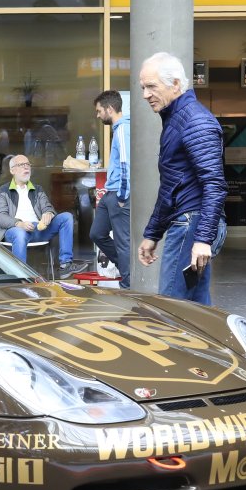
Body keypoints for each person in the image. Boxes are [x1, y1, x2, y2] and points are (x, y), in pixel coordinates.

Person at [135, 51, 227, 304]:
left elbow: (215, 185)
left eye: (151, 86)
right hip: (190, 223)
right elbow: (171, 186)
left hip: (191, 224)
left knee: (172, 309)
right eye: (143, 87)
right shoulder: (179, 119)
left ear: (175, 84)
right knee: (196, 309)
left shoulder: (195, 121)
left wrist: (202, 239)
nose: (145, 95)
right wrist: (152, 234)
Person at [0, 154, 80, 275]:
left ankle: (65, 265)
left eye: (28, 164)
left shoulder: (37, 189)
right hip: (14, 230)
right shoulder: (3, 191)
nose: (26, 167)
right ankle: (20, 275)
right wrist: (19, 224)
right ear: (12, 170)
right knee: (20, 233)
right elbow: (0, 217)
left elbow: (47, 207)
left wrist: (48, 213)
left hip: (37, 229)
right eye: (21, 165)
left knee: (66, 217)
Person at [91, 89, 131, 287]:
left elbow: (126, 164)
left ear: (109, 109)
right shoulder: (118, 129)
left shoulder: (122, 129)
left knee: (123, 243)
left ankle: (128, 284)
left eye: (99, 111)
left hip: (118, 195)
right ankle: (128, 267)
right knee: (96, 234)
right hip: (110, 193)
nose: (98, 116)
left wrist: (122, 196)